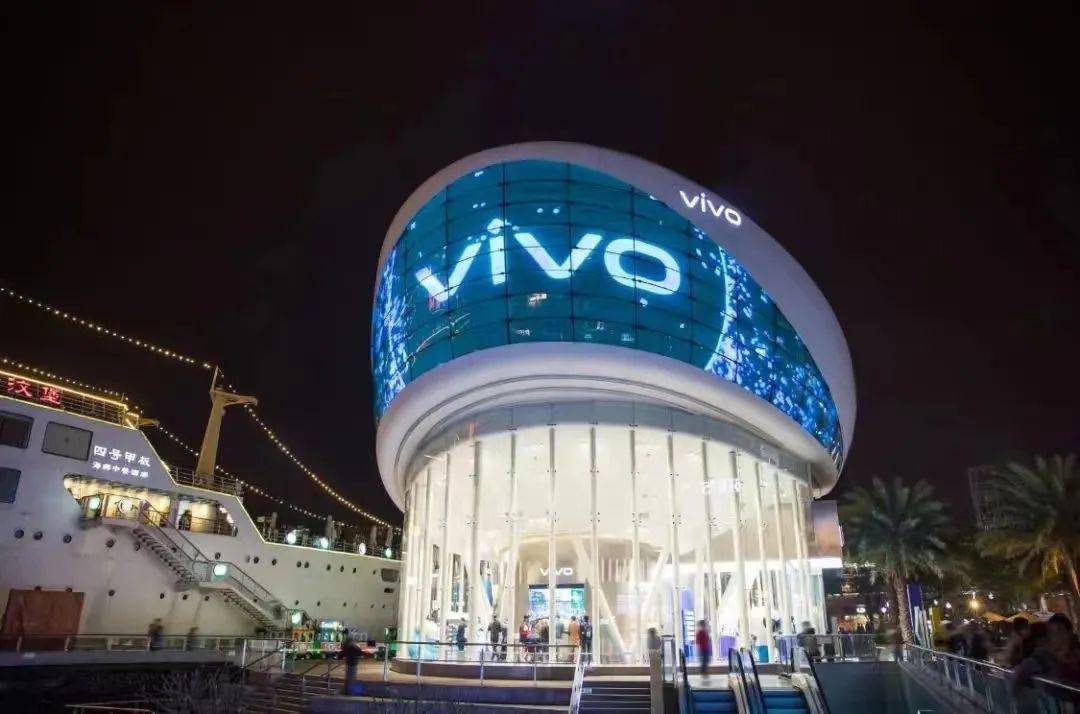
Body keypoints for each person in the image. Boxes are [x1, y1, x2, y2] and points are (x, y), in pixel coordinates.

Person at [1047, 613, 1080, 681]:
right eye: (1052, 633)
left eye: (1060, 631)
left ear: (1070, 633)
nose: (1056, 638)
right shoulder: (1046, 663)